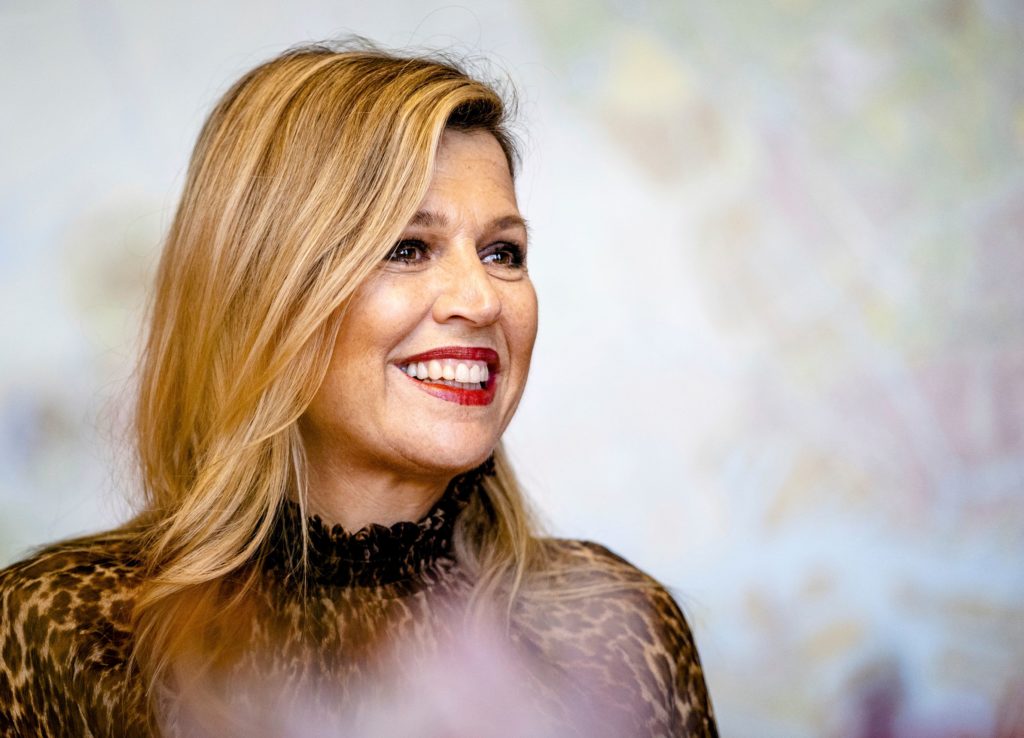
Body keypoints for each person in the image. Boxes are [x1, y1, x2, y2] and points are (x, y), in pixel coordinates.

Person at [0, 43, 718, 737]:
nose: (481, 299)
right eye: (407, 248)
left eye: (502, 252)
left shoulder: (620, 629)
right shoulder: (66, 632)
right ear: (263, 293)